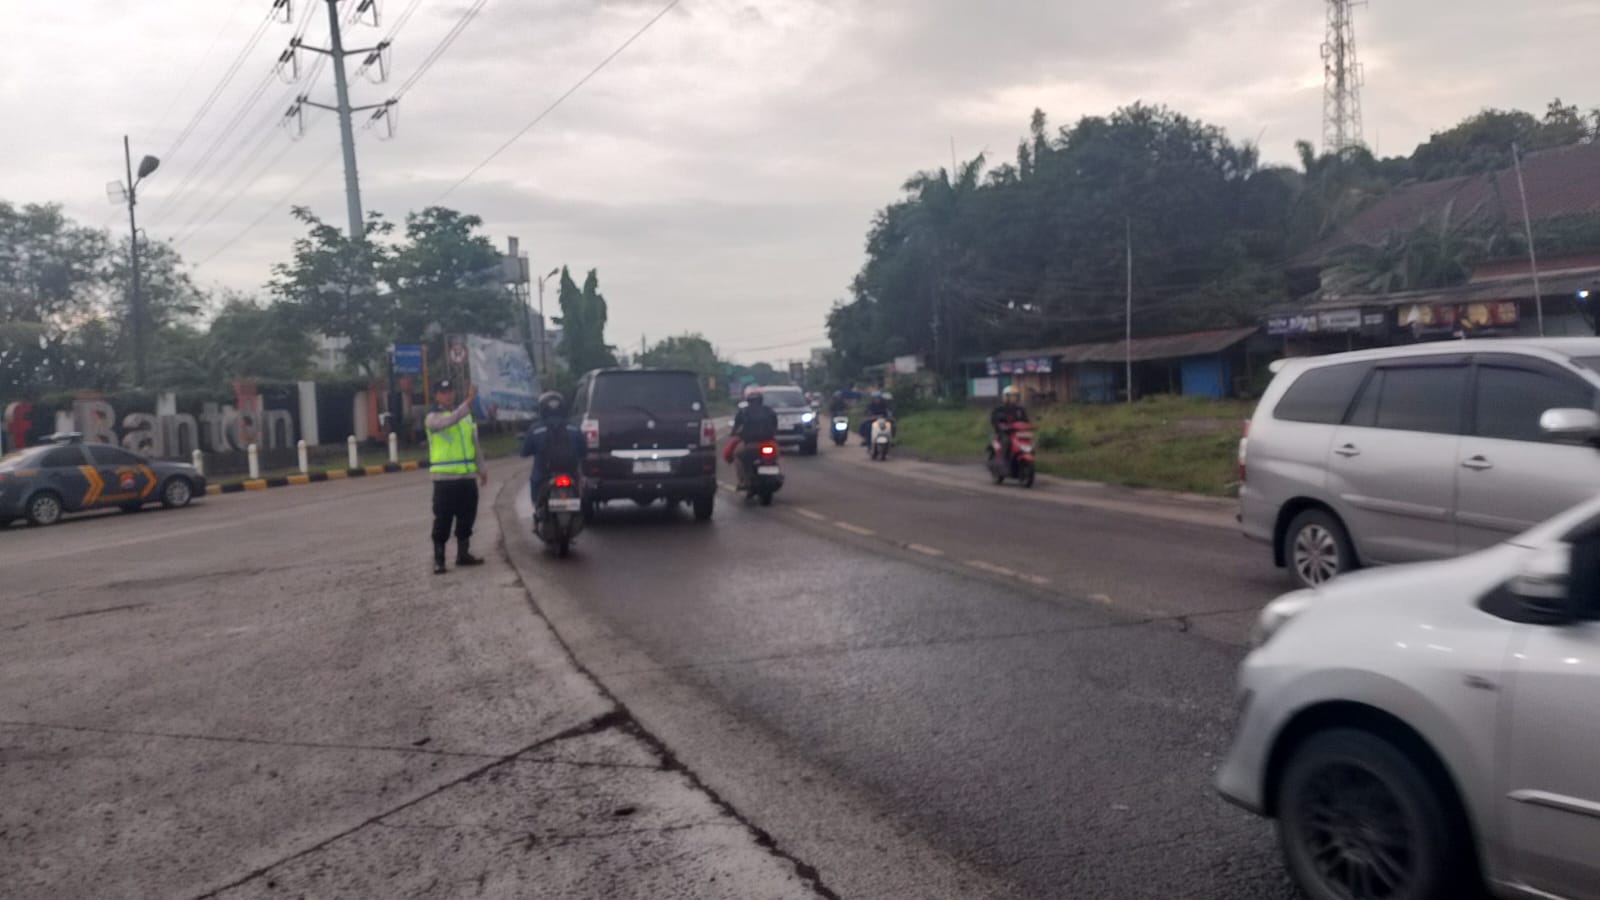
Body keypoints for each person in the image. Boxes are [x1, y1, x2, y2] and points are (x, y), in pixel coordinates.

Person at [426, 379, 488, 574]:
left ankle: (463, 554)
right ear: (436, 396)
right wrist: (468, 402)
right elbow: (449, 421)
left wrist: (482, 468)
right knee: (443, 520)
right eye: (443, 392)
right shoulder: (433, 418)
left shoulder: (466, 417)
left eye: (450, 391)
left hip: (467, 478)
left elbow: (474, 443)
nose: (448, 395)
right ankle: (439, 560)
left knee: (467, 517)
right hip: (445, 480)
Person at [521, 390, 585, 523]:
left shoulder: (535, 429)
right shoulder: (574, 427)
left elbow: (524, 452)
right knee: (579, 484)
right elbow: (583, 451)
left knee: (534, 481)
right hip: (570, 472)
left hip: (544, 474)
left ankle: (537, 506)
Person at [728, 387, 779, 485]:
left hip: (751, 445)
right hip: (769, 443)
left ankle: (743, 481)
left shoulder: (743, 412)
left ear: (748, 401)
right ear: (761, 400)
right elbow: (775, 425)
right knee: (775, 456)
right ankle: (775, 473)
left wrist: (734, 433)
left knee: (737, 456)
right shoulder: (769, 411)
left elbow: (736, 427)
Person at [990, 384, 1031, 464]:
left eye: (1015, 397)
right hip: (1004, 433)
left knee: (1028, 441)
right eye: (1011, 397)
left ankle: (1025, 455)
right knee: (1006, 441)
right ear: (1006, 397)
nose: (1013, 399)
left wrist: (1029, 426)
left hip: (1017, 433)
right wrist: (1000, 426)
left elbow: (1026, 420)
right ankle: (1003, 461)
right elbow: (994, 420)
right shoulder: (1000, 409)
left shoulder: (1020, 410)